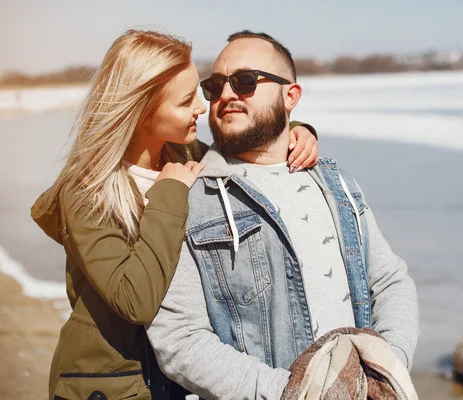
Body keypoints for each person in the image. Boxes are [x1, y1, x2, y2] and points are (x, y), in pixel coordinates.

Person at [30, 29, 319, 400]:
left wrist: (296, 130)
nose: (201, 107)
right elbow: (135, 299)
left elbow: (241, 146)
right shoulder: (87, 190)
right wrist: (170, 193)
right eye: (185, 102)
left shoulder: (184, 154)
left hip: (178, 379)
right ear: (142, 110)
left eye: (198, 93)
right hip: (112, 386)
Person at [146, 30, 419, 399]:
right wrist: (293, 393)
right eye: (215, 86)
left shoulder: (336, 183)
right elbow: (178, 338)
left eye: (244, 81)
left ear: (290, 97)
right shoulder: (188, 198)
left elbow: (389, 282)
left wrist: (385, 368)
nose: (226, 95)